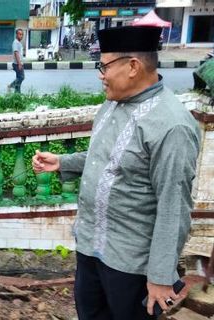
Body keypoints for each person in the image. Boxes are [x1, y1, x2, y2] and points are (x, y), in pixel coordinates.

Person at [32, 26, 200, 320]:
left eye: (104, 66)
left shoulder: (171, 126)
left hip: (131, 264)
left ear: (132, 66)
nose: (100, 75)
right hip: (91, 248)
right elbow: (107, 159)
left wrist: (160, 276)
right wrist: (63, 162)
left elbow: (174, 206)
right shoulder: (110, 106)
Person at [7, 28, 24, 94]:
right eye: (20, 34)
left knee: (18, 78)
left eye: (22, 34)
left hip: (19, 63)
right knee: (21, 77)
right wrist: (19, 64)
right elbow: (16, 53)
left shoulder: (18, 43)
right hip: (17, 64)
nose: (21, 36)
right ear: (16, 35)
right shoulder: (15, 42)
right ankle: (10, 86)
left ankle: (17, 93)